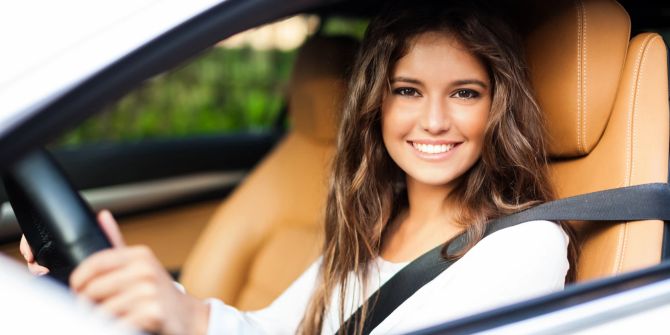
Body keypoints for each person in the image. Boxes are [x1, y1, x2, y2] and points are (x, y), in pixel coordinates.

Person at [21, 1, 577, 334]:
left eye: (464, 93)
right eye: (408, 90)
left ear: (498, 108)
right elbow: (274, 329)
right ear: (376, 105)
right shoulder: (374, 221)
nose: (433, 120)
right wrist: (143, 295)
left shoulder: (526, 247)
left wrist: (187, 317)